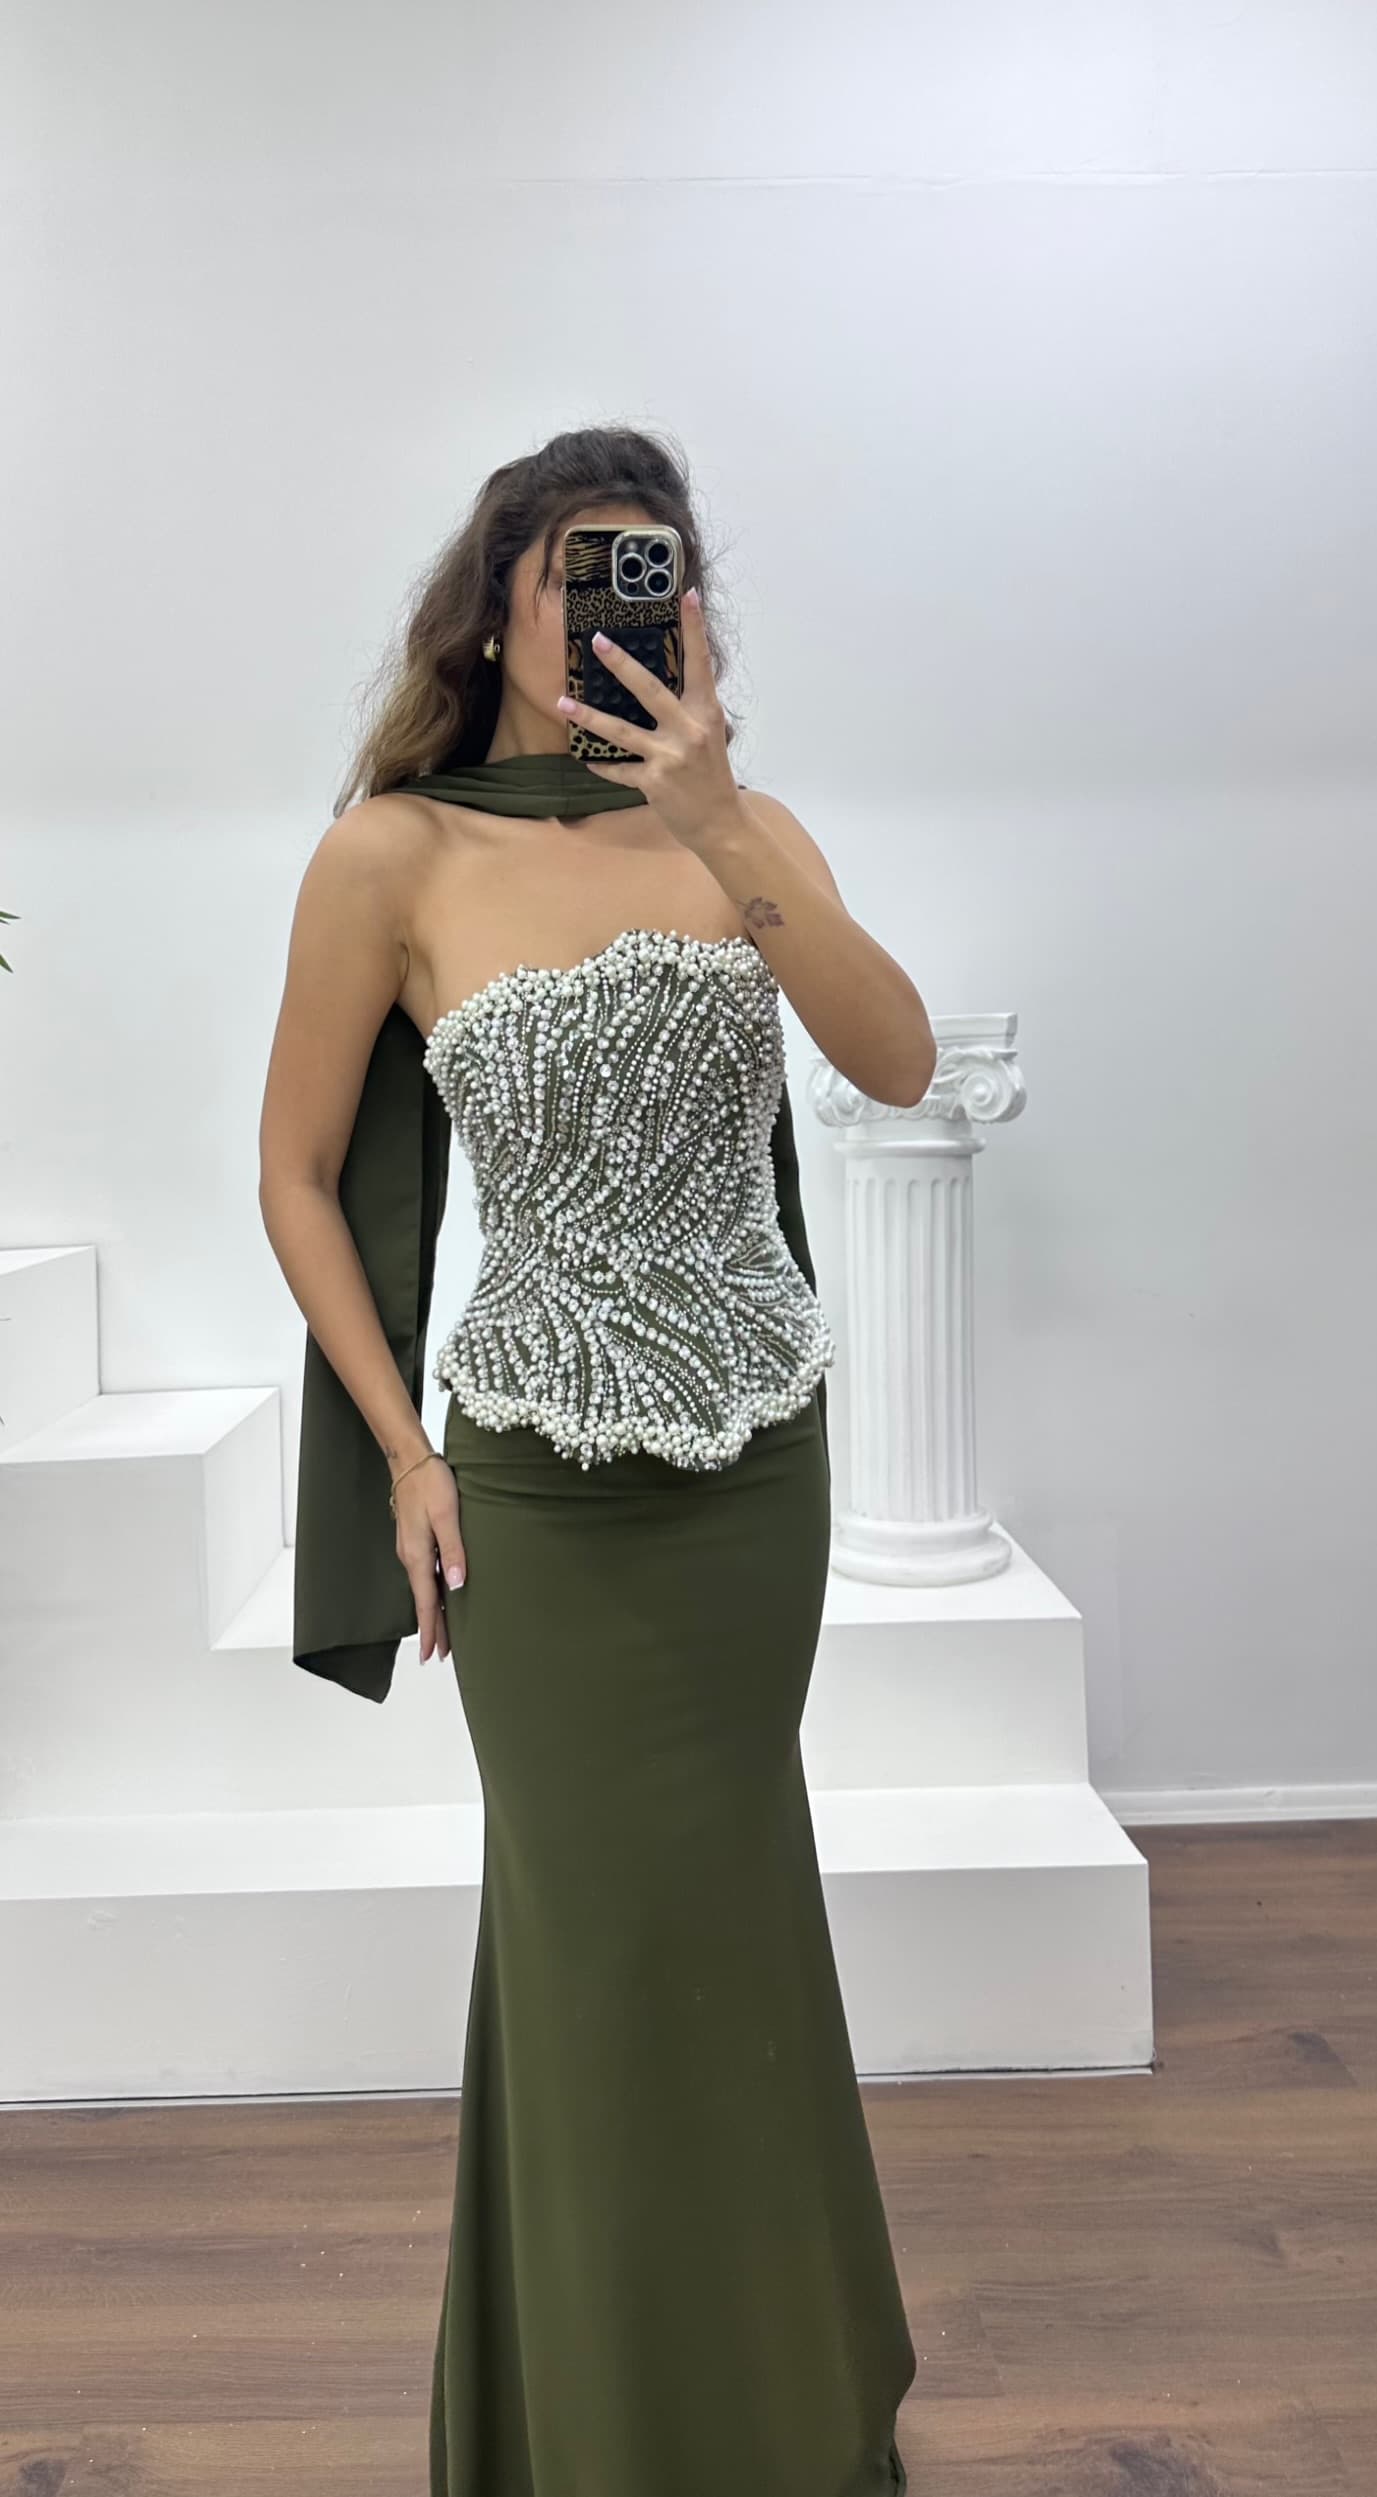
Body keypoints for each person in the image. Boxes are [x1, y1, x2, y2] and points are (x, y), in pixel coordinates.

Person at [259, 424, 936, 2497]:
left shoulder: (742, 831)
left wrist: (717, 820)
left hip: (751, 1480)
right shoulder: (394, 856)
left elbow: (895, 1059)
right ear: (498, 607)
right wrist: (400, 1452)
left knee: (730, 1922)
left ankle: (771, 2422)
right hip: (537, 1498)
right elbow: (295, 1175)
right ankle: (593, 2433)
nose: (612, 609)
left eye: (652, 572)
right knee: (589, 1952)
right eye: (575, 570)